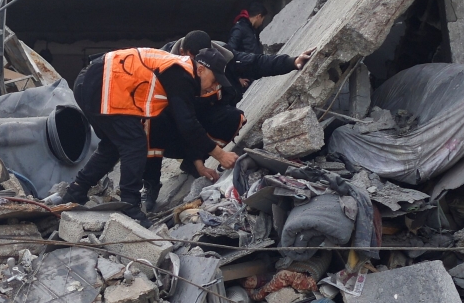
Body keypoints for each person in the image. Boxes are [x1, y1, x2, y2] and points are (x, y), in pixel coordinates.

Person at [62, 46, 240, 225]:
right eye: (215, 79)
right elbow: (188, 124)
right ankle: (129, 205)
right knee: (135, 144)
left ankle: (76, 191)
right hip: (101, 83)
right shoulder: (181, 75)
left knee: (114, 145)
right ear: (201, 69)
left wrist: (199, 161)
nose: (214, 86)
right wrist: (220, 154)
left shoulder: (178, 70)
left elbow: (182, 123)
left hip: (93, 83)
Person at [163, 30, 313, 106]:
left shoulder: (224, 56)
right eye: (195, 62)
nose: (199, 67)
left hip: (211, 111)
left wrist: (291, 62)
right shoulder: (162, 63)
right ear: (183, 53)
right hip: (176, 115)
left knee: (231, 118)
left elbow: (255, 63)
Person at [142, 103, 246, 211]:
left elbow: (201, 120)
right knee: (151, 123)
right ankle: (150, 183)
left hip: (194, 125)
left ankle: (191, 163)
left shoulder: (213, 90)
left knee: (234, 117)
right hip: (168, 133)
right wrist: (218, 156)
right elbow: (188, 125)